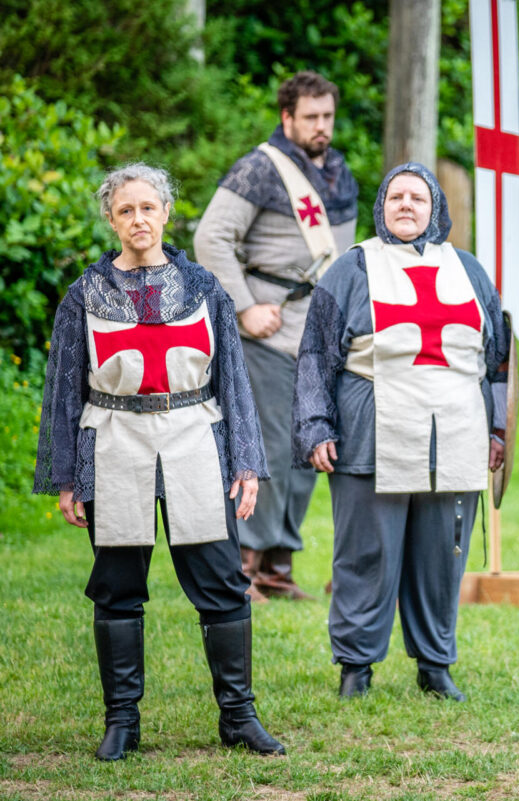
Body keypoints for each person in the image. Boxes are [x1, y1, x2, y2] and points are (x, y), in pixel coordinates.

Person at [34, 163, 285, 760]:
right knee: (118, 585)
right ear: (111, 220)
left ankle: (238, 717)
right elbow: (64, 389)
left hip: (195, 436)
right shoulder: (86, 295)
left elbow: (234, 381)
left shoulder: (203, 287)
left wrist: (244, 461)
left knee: (221, 581)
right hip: (115, 437)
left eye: (148, 207)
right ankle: (122, 721)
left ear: (167, 213)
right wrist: (67, 474)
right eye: (126, 210)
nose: (138, 219)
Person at [293, 162, 508, 701]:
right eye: (396, 197)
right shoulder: (352, 269)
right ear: (381, 208)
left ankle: (436, 665)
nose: (406, 205)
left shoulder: (468, 270)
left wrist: (498, 428)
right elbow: (316, 354)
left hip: (455, 431)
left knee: (442, 556)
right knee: (367, 552)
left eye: (417, 197)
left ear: (436, 206)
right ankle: (356, 668)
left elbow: (497, 360)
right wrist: (316, 425)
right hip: (371, 430)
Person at [194, 70, 358, 602]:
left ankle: (277, 567)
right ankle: (241, 567)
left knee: (309, 448)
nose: (321, 127)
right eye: (311, 117)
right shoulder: (260, 168)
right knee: (261, 451)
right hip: (268, 330)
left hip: (320, 335)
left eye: (327, 116)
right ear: (287, 117)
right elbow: (211, 237)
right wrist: (243, 308)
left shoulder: (338, 171)